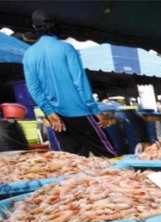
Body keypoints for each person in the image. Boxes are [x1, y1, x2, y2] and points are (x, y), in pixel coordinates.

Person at [23, 10, 116, 157]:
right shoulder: (66, 49)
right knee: (111, 156)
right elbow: (80, 81)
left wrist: (48, 111)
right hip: (81, 111)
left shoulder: (29, 54)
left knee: (73, 161)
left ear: (35, 28)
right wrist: (95, 110)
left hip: (57, 116)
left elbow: (34, 88)